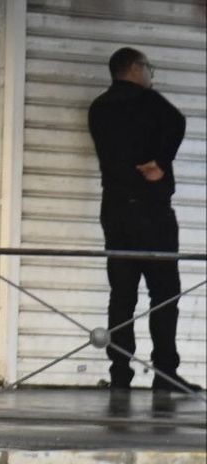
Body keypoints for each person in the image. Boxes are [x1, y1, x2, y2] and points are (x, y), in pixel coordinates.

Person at [86, 47, 195, 394]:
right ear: (134, 68)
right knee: (164, 293)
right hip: (152, 211)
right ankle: (165, 372)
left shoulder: (98, 108)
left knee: (122, 294)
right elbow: (178, 121)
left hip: (115, 211)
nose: (151, 75)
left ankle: (120, 373)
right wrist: (160, 162)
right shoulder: (150, 102)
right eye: (149, 68)